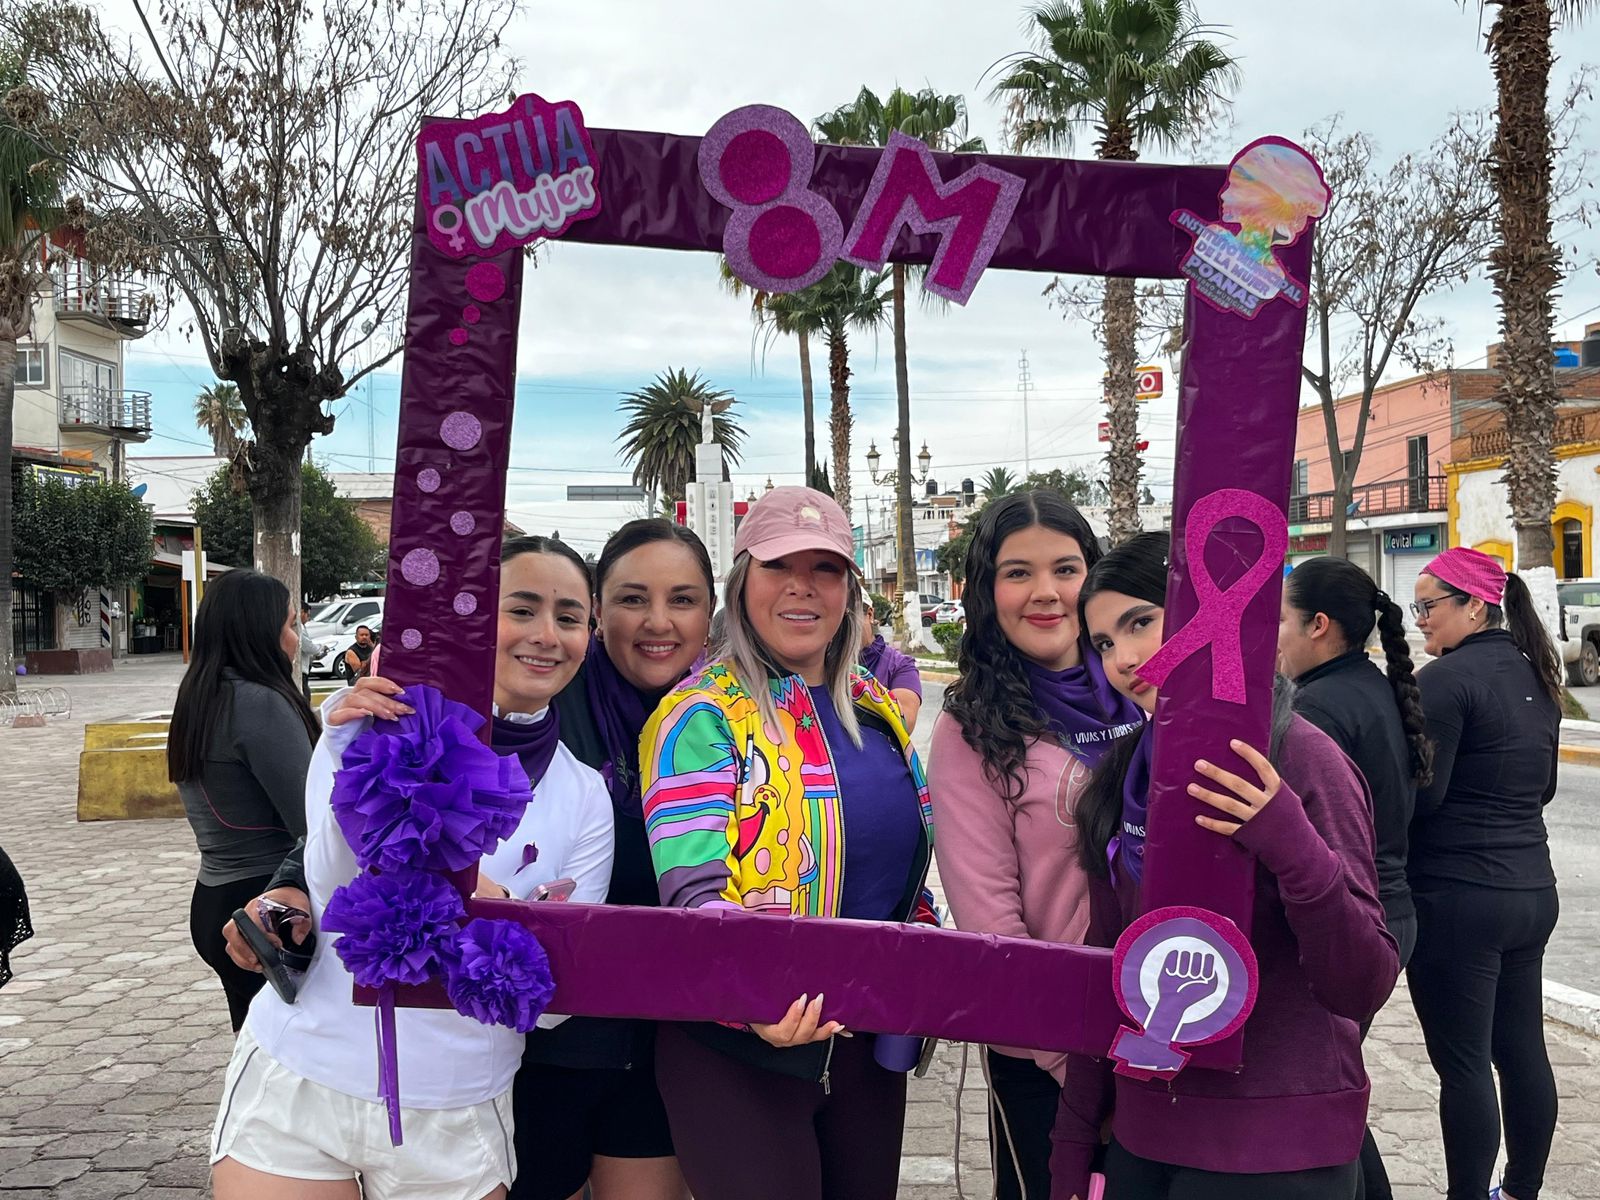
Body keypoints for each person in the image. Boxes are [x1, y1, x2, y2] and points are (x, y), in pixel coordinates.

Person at [210, 536, 615, 1200]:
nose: (546, 635)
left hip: (456, 1110)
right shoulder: (381, 726)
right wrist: (345, 747)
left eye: (569, 617)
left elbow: (549, 1003)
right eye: (522, 609)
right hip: (301, 1078)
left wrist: (477, 896)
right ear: (476, 619)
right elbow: (335, 881)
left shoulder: (583, 795)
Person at [1051, 531, 1399, 1200]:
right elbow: (1108, 966)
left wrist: (1287, 839)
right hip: (1145, 1138)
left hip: (1278, 1147)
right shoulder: (1123, 779)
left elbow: (1362, 981)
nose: (1123, 658)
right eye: (1102, 643)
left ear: (1208, 618)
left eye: (1140, 623)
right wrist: (1073, 1142)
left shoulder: (1301, 759)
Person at [640, 486, 933, 1200]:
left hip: (867, 1047)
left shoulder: (875, 710)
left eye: (825, 569)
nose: (803, 587)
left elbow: (902, 868)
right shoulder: (698, 715)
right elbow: (694, 896)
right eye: (779, 567)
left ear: (849, 593)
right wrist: (754, 1007)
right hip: (740, 1054)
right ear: (743, 586)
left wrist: (924, 951)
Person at [931, 490, 1143, 1200]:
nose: (1046, 593)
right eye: (1018, 573)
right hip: (1055, 1058)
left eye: (1067, 568)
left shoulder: (1148, 697)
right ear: (987, 592)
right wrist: (1086, 1077)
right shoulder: (971, 730)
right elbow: (994, 926)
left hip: (1176, 1030)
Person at [524, 518, 716, 1200]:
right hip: (539, 1046)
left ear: (711, 612)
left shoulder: (729, 720)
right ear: (599, 609)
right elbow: (413, 800)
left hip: (669, 1044)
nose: (657, 622)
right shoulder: (542, 700)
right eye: (633, 599)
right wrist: (293, 887)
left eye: (683, 599)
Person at [1407, 547, 1562, 1200]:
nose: (1419, 621)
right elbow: (1547, 787)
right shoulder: (1536, 677)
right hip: (1531, 891)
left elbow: (1426, 797)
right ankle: (1520, 1190)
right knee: (1522, 1050)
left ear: (1474, 605)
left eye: (1428, 606)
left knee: (1464, 1064)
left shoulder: (1443, 681)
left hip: (1459, 898)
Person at [1279, 556, 1434, 1200]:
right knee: (1332, 1083)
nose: (1270, 637)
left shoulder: (1317, 710)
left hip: (1353, 919)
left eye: (1279, 620)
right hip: (1392, 909)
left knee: (1319, 1089)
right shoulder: (1373, 687)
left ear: (1318, 625)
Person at [167, 568, 320, 1031]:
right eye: (292, 624)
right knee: (292, 1070)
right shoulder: (258, 702)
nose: (298, 640)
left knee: (260, 1055)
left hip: (216, 898)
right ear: (261, 632)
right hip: (267, 904)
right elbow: (314, 819)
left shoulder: (200, 695)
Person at [858, 595, 923, 729]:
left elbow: (903, 725)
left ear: (869, 615)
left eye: (849, 614)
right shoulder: (819, 662)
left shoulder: (900, 666)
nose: (842, 625)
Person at [297, 604, 316, 702]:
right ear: (301, 612)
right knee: (305, 695)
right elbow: (308, 646)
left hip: (303, 667)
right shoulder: (298, 627)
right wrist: (320, 648)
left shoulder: (301, 626)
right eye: (307, 615)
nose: (308, 618)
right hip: (300, 669)